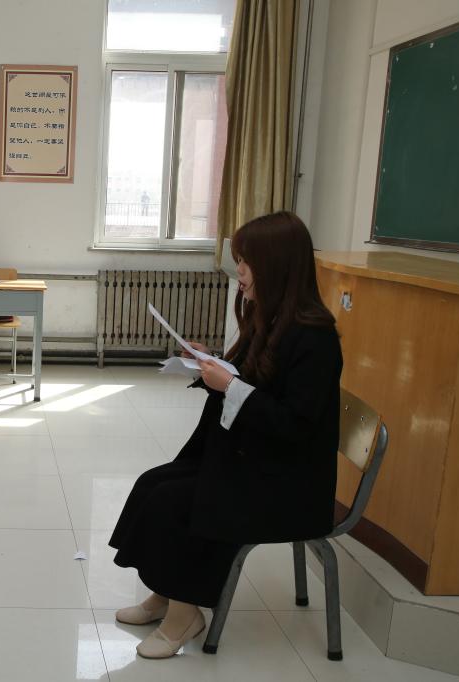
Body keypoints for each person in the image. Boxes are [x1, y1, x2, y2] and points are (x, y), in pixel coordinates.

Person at [109, 211, 342, 659]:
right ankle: (165, 594)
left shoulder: (316, 338)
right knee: (154, 483)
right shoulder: (270, 318)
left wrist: (229, 385)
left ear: (276, 265)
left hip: (289, 483)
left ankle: (185, 614)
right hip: (259, 459)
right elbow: (253, 380)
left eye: (246, 262)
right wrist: (211, 364)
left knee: (179, 501)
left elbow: (293, 425)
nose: (240, 272)